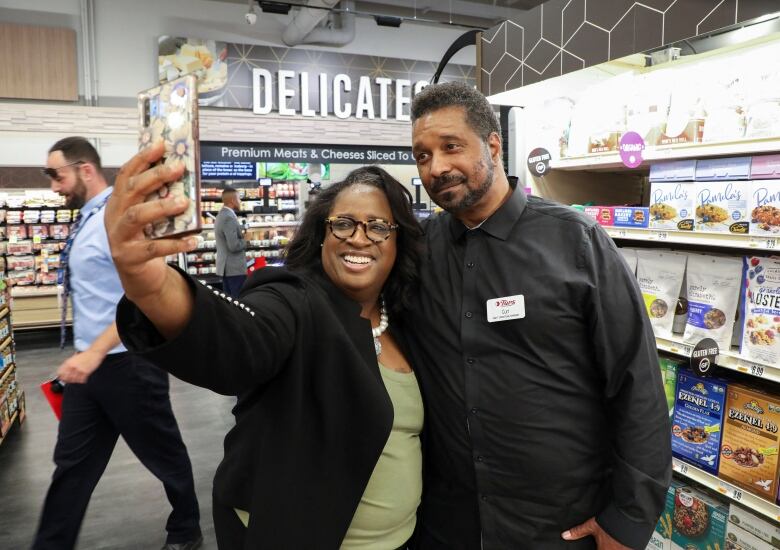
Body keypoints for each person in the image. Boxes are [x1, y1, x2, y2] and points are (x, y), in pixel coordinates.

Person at [103, 144, 426, 550]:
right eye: (343, 224)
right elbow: (241, 338)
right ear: (322, 235)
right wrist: (150, 283)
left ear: (398, 242)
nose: (359, 239)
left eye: (378, 227)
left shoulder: (408, 319)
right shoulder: (296, 299)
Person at [404, 82, 672, 549]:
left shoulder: (576, 242)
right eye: (422, 155)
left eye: (451, 147)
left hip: (558, 528)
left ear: (492, 145)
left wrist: (628, 519)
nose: (437, 167)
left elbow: (637, 384)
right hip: (451, 525)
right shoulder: (420, 253)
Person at [33, 137, 202, 550]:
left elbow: (142, 299)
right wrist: (86, 353)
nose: (55, 186)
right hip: (88, 368)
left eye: (57, 175)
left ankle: (187, 529)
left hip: (129, 363)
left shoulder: (121, 216)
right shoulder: (87, 218)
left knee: (162, 453)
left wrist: (94, 351)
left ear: (85, 169)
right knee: (71, 466)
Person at [215, 187, 247, 298]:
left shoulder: (221, 215)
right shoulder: (229, 217)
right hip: (234, 269)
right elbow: (234, 246)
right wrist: (247, 241)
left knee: (230, 302)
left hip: (226, 269)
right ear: (233, 200)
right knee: (238, 302)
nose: (240, 201)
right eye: (239, 198)